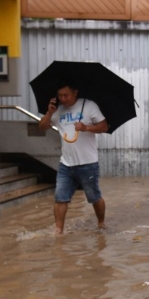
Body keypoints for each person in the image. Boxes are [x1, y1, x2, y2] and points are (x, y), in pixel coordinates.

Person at [38, 80, 108, 234]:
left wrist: (86, 127)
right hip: (66, 163)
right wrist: (49, 113)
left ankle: (101, 223)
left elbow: (104, 126)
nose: (63, 98)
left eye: (66, 95)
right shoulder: (57, 110)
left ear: (75, 93)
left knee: (94, 197)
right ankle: (58, 230)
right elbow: (42, 127)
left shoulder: (89, 106)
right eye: (60, 95)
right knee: (60, 197)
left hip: (88, 163)